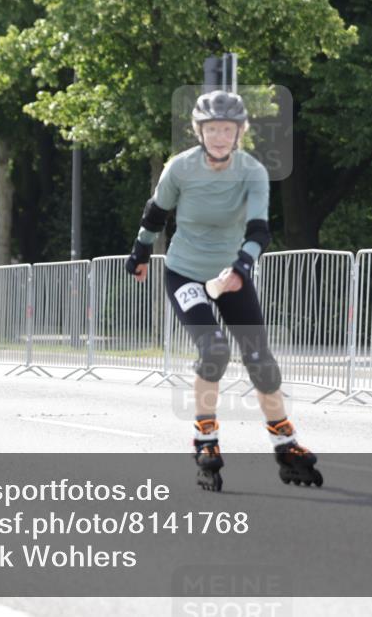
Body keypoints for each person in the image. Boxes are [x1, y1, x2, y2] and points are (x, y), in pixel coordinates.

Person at [125, 90, 322, 491]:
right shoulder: (180, 169)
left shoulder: (252, 171)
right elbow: (156, 213)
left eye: (226, 129)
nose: (218, 136)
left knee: (260, 360)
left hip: (232, 272)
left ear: (240, 132)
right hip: (184, 274)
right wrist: (141, 252)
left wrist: (241, 267)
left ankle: (286, 444)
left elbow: (259, 230)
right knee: (214, 349)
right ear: (199, 131)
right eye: (211, 129)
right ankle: (206, 440)